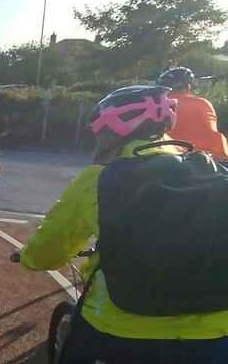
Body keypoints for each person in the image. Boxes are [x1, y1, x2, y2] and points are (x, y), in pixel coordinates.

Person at [18, 85, 228, 363]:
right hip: (214, 338)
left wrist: (27, 257)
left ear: (109, 134)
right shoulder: (214, 172)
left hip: (117, 332)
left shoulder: (98, 180)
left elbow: (48, 252)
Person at [157, 66, 228, 159]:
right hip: (215, 155)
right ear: (188, 87)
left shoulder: (159, 105)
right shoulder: (203, 103)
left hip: (174, 156)